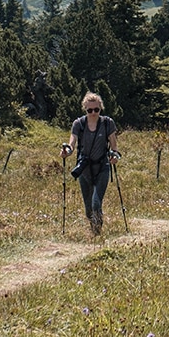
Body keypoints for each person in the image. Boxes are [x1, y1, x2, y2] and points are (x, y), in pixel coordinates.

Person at [62, 92, 118, 235]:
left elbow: (114, 147)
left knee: (96, 202)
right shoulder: (78, 124)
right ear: (85, 109)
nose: (93, 113)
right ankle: (93, 227)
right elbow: (72, 143)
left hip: (102, 168)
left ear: (101, 108)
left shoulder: (107, 123)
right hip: (84, 169)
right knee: (88, 208)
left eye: (96, 110)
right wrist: (67, 151)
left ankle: (97, 233)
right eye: (89, 110)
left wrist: (115, 156)